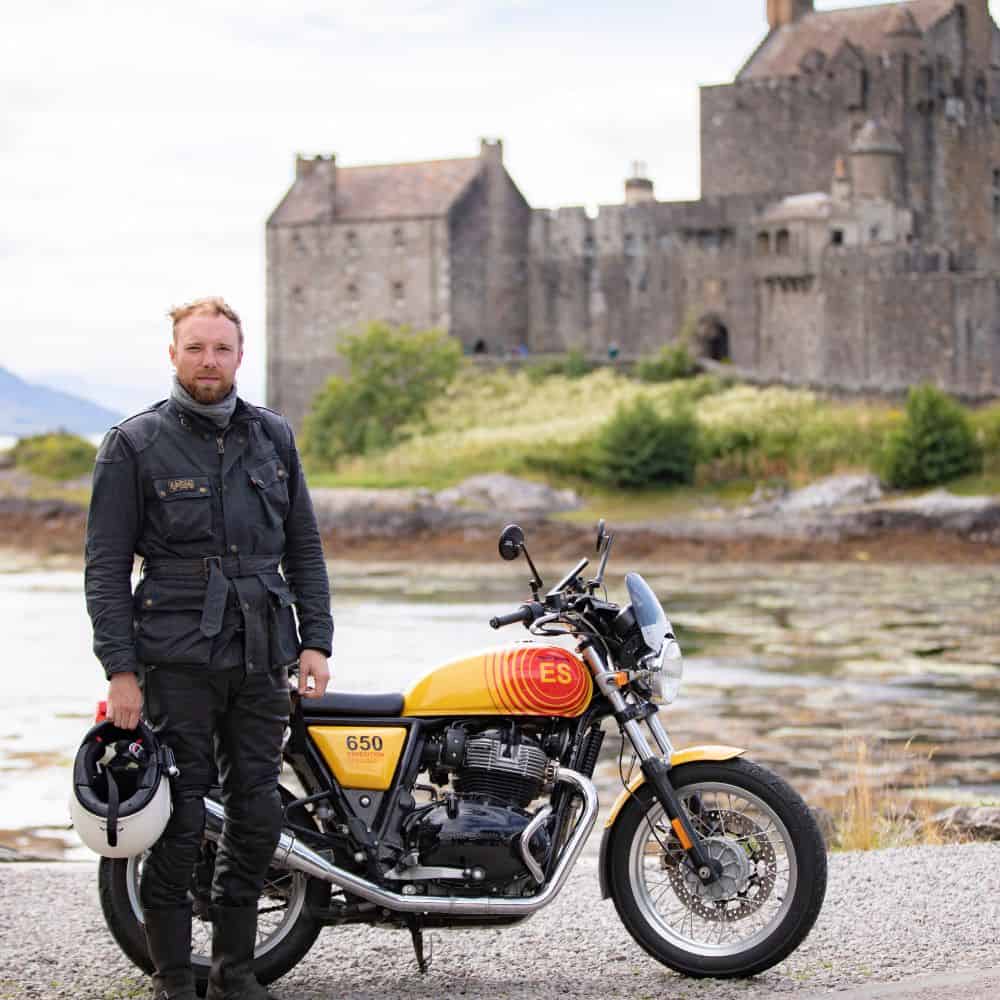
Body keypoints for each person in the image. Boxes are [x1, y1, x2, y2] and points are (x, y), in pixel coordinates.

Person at [84, 297, 333, 1000]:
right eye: (194, 349)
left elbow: (303, 547)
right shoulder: (133, 444)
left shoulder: (274, 438)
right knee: (181, 817)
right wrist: (120, 671)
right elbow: (104, 569)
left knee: (258, 815)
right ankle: (170, 976)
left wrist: (316, 640)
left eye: (220, 349)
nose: (208, 362)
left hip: (262, 653)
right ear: (172, 354)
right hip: (174, 658)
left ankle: (235, 971)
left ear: (239, 355)